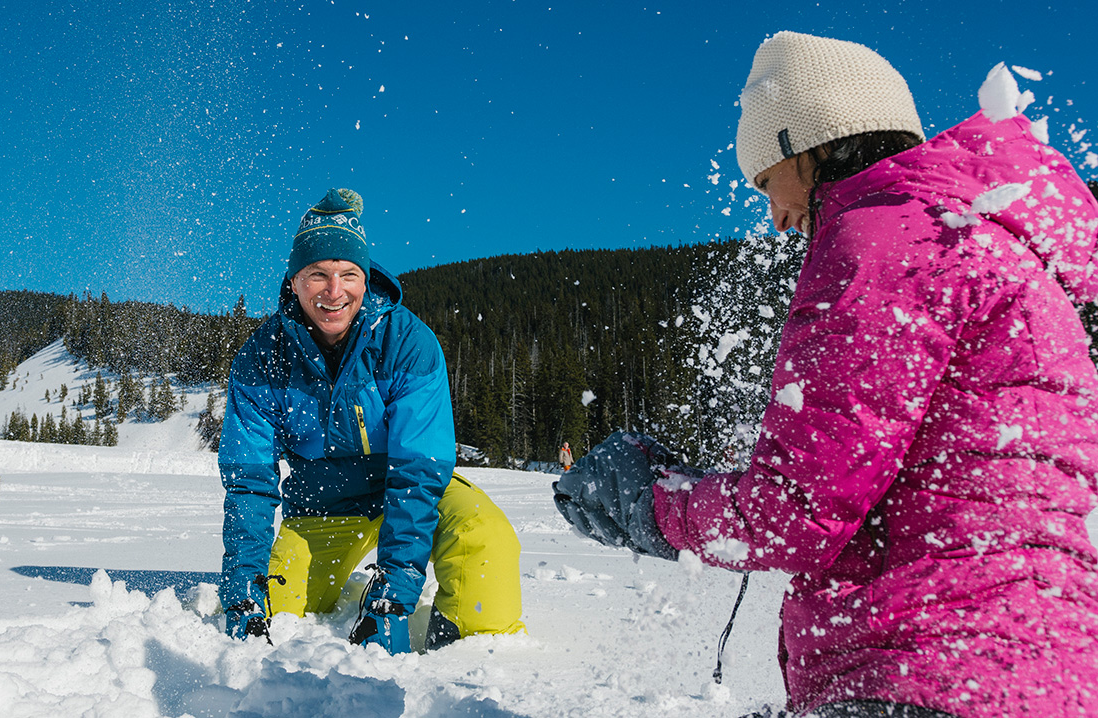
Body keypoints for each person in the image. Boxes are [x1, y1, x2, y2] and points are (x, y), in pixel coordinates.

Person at [554, 31, 1098, 717]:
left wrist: (652, 506)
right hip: (1029, 668)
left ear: (807, 144)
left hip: (926, 670)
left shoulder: (886, 238)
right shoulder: (977, 239)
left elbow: (797, 511)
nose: (776, 217)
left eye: (766, 179)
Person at [218, 188, 526, 653]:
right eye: (317, 274)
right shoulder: (261, 358)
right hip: (324, 505)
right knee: (279, 604)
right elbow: (249, 480)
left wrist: (395, 593)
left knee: (485, 539)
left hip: (407, 490)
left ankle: (462, 657)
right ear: (294, 282)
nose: (334, 291)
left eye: (348, 274)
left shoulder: (407, 342)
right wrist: (244, 587)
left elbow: (420, 469)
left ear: (366, 279)